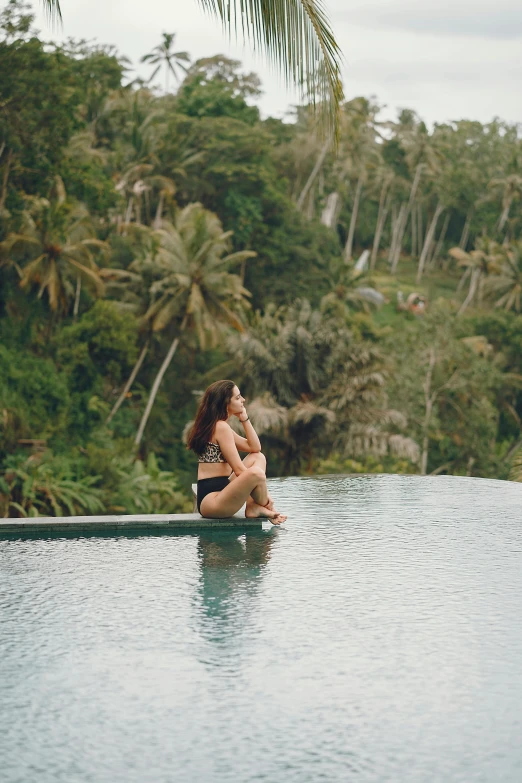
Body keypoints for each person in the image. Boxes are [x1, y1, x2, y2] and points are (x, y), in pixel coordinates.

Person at [187, 380, 287, 525]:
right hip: (212, 502)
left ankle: (252, 507)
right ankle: (261, 506)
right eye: (238, 397)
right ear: (226, 402)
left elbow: (255, 447)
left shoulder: (220, 426)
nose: (243, 400)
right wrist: (267, 499)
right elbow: (240, 471)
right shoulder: (221, 427)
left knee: (258, 458)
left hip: (223, 491)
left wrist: (244, 418)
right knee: (256, 473)